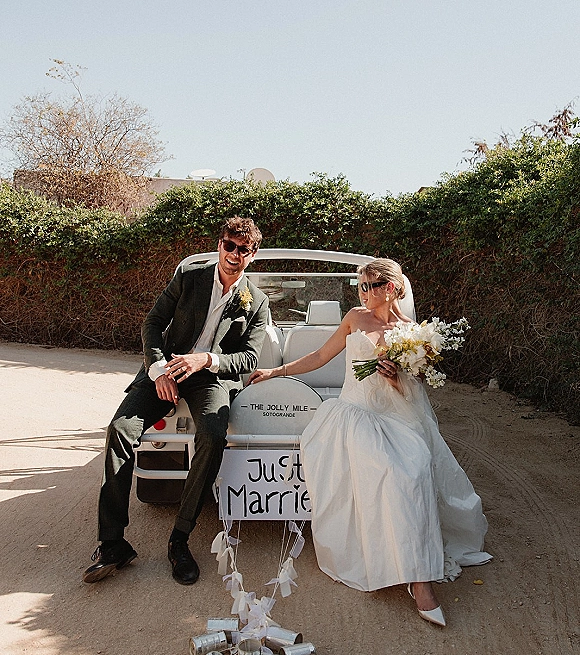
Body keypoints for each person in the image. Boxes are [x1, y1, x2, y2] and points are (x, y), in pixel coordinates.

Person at [249, 258, 492, 626]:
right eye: (361, 285)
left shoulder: (414, 332)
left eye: (372, 285)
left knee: (414, 471)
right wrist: (275, 370)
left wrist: (395, 378)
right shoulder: (354, 318)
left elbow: (413, 390)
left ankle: (418, 578)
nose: (364, 292)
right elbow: (320, 355)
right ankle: (414, 577)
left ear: (392, 288)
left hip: (396, 417)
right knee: (392, 473)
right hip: (355, 415)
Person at [84, 217, 268, 586]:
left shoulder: (258, 302)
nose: (233, 254)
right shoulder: (190, 277)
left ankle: (179, 539)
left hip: (209, 379)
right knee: (120, 430)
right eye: (228, 245)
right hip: (166, 369)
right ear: (220, 244)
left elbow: (249, 358)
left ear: (253, 254)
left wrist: (207, 360)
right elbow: (152, 324)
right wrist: (158, 371)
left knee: (213, 435)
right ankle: (112, 542)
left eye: (242, 249)